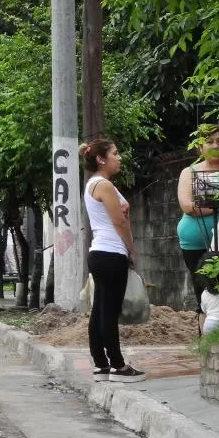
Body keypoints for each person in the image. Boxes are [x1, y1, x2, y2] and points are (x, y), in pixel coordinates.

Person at [80, 139, 146, 383]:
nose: (119, 158)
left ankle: (101, 364)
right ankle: (117, 366)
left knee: (100, 310)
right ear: (101, 159)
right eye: (115, 153)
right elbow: (119, 222)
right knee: (109, 311)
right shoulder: (103, 185)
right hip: (111, 252)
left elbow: (120, 211)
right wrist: (131, 249)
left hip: (99, 252)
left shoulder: (95, 184)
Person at [177, 124, 219, 314]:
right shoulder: (190, 172)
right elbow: (187, 206)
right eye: (209, 142)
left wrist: (205, 205)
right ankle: (205, 336)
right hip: (195, 242)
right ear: (200, 147)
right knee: (203, 290)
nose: (215, 145)